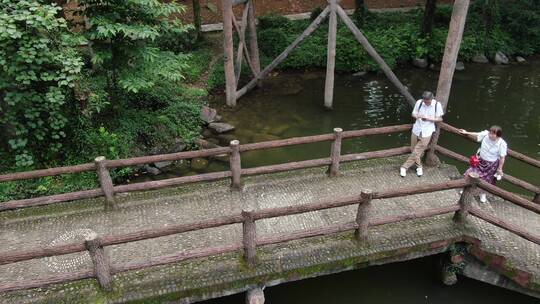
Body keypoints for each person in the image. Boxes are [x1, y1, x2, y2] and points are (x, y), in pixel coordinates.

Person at [459, 125, 507, 203]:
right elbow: (476, 134)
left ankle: (483, 194)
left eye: (493, 134)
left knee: (487, 180)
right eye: (490, 133)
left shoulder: (502, 144)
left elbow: (502, 157)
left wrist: (500, 168)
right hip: (480, 160)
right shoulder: (485, 134)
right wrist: (466, 132)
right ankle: (465, 189)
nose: (490, 135)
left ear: (498, 135)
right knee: (470, 173)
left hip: (491, 165)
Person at [400, 91, 444, 177]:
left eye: (428, 102)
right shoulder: (419, 102)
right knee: (414, 150)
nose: (426, 103)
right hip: (417, 129)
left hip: (427, 131)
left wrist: (429, 119)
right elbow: (413, 113)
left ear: (432, 98)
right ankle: (419, 167)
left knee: (417, 150)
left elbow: (440, 119)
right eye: (425, 101)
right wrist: (417, 116)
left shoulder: (436, 105)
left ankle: (404, 167)